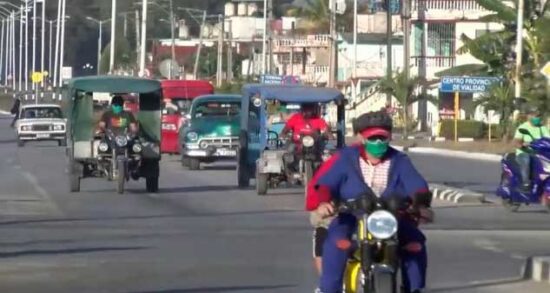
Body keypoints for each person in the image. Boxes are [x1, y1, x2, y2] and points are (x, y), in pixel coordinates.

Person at [306, 110, 434, 293]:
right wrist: (322, 203)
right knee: (336, 242)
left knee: (415, 243)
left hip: (392, 216)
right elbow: (323, 182)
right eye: (373, 138)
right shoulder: (344, 159)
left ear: (389, 137)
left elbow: (416, 184)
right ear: (362, 138)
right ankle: (329, 289)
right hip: (351, 215)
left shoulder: (400, 160)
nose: (378, 143)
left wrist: (420, 204)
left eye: (383, 138)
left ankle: (413, 289)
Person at [514, 106, 550, 191]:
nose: (537, 118)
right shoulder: (523, 127)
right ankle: (526, 182)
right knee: (526, 159)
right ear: (528, 116)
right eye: (535, 116)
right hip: (524, 153)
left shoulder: (542, 128)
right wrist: (523, 144)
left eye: (538, 116)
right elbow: (516, 142)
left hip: (539, 153)